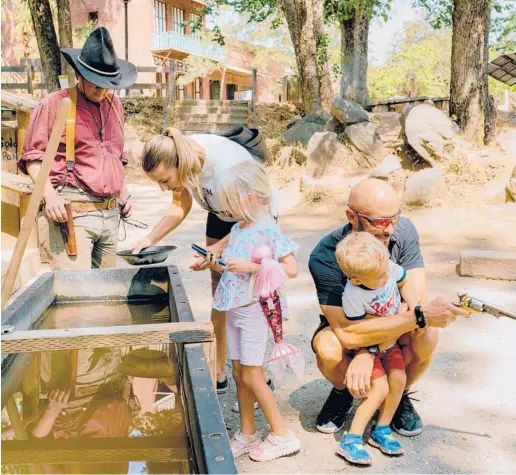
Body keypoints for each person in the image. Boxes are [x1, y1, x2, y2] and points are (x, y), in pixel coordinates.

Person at [308, 178, 469, 436]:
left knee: (427, 335)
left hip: (391, 318)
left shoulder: (402, 230)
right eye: (380, 222)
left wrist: (369, 351)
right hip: (351, 325)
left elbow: (415, 299)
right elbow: (348, 332)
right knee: (328, 347)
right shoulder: (325, 256)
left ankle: (399, 393)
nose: (390, 229)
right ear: (352, 216)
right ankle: (344, 392)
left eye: (394, 218)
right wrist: (367, 347)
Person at [133, 128, 278, 395]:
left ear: (180, 164)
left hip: (253, 216)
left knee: (247, 295)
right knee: (220, 290)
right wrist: (150, 238)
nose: (163, 188)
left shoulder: (225, 166)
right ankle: (219, 367)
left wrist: (219, 249)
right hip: (222, 212)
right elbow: (180, 205)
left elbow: (253, 219)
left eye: (165, 180)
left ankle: (256, 373)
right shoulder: (184, 160)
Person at [198, 160, 300, 462]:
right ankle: (247, 432)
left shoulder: (269, 230)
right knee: (240, 372)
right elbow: (232, 265)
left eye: (230, 202)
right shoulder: (237, 228)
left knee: (254, 375)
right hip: (234, 308)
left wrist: (254, 267)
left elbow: (290, 270)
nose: (226, 209)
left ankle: (282, 436)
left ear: (250, 198)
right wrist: (214, 262)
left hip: (256, 310)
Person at [18, 27, 137, 270]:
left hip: (111, 214)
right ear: (78, 75)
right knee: (76, 293)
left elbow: (115, 156)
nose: (102, 90)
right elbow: (33, 158)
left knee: (107, 295)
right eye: (95, 82)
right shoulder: (55, 105)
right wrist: (49, 196)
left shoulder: (115, 106)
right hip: (72, 211)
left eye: (108, 84)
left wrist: (123, 191)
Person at [334, 231, 416, 465]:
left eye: (385, 270)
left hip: (390, 343)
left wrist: (413, 308)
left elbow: (404, 281)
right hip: (369, 344)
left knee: (398, 379)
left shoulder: (385, 266)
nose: (385, 275)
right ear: (356, 279)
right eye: (379, 276)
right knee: (378, 389)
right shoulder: (353, 294)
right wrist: (397, 320)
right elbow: (361, 327)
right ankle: (351, 439)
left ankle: (381, 428)